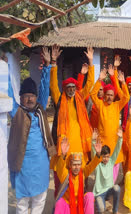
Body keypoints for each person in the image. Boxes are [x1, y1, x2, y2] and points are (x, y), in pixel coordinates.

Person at [8, 47, 56, 214]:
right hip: (23, 165)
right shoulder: (16, 111)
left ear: (36, 98)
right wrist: (4, 67)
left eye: (32, 96)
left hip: (41, 164)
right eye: (25, 96)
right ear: (20, 98)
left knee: (39, 200)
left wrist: (48, 65)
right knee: (22, 203)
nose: (29, 99)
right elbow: (7, 91)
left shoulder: (40, 109)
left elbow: (44, 87)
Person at [90, 64, 129, 182]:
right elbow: (92, 94)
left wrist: (123, 83)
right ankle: (102, 188)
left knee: (115, 165)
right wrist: (99, 80)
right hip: (102, 141)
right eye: (107, 94)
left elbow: (126, 98)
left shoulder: (117, 105)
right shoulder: (100, 105)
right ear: (104, 95)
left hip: (114, 141)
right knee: (101, 166)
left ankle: (109, 187)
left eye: (112, 95)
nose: (109, 97)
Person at [54, 135, 102, 214]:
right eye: (74, 164)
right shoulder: (65, 175)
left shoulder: (82, 173)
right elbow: (60, 167)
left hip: (80, 205)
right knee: (59, 202)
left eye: (79, 164)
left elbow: (92, 165)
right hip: (68, 206)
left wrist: (98, 154)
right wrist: (63, 155)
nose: (76, 167)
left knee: (90, 196)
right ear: (70, 165)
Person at [93, 129, 123, 214]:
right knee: (101, 210)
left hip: (109, 191)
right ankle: (99, 205)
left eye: (107, 156)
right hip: (99, 193)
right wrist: (93, 141)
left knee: (117, 188)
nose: (106, 159)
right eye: (104, 157)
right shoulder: (97, 164)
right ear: (101, 156)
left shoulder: (111, 162)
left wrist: (120, 139)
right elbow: (93, 153)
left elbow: (117, 150)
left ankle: (115, 211)